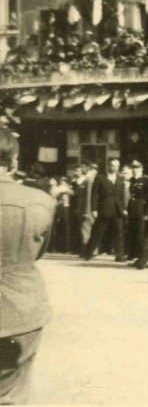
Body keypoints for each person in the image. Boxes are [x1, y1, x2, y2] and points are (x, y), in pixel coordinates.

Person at [0, 126, 55, 404]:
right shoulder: (41, 201)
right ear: (14, 162)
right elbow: (38, 252)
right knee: (13, 392)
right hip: (22, 308)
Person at [83, 158, 126, 261]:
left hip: (117, 210)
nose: (115, 168)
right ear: (108, 166)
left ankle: (119, 255)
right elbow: (94, 195)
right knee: (97, 232)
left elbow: (122, 196)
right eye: (112, 166)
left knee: (119, 232)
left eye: (117, 166)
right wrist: (94, 209)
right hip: (104, 209)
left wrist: (123, 208)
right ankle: (87, 253)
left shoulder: (120, 179)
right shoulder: (100, 178)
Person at [126, 160, 148, 263]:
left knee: (140, 232)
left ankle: (139, 254)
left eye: (137, 168)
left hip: (141, 207)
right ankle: (131, 253)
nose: (135, 170)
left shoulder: (145, 180)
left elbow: (147, 196)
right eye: (133, 168)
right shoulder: (131, 180)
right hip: (132, 207)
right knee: (131, 231)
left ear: (141, 169)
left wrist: (146, 211)